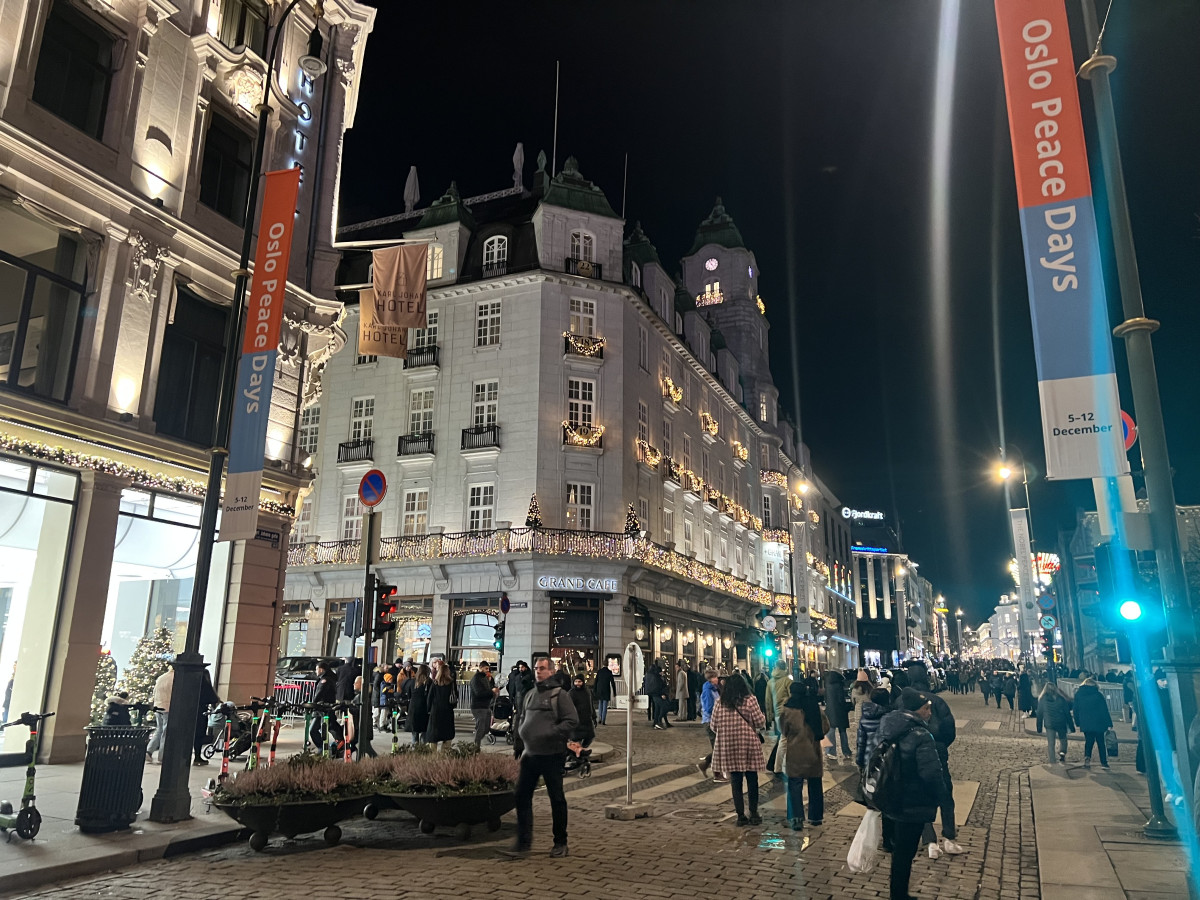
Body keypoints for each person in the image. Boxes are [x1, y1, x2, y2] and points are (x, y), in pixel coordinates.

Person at [878, 689, 951, 900]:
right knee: (905, 852)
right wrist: (942, 796)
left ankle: (898, 892)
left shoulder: (890, 727)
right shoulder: (921, 735)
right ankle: (899, 895)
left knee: (900, 851)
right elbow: (931, 773)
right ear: (916, 711)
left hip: (893, 795)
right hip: (914, 799)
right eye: (926, 708)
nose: (930, 712)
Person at [505, 657, 580, 859]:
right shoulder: (530, 694)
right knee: (521, 795)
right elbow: (522, 717)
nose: (538, 671)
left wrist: (551, 732)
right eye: (536, 668)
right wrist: (519, 740)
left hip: (552, 754)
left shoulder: (559, 695)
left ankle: (560, 842)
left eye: (542, 668)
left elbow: (572, 720)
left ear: (551, 671)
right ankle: (523, 843)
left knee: (556, 798)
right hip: (530, 754)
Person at [906, 660, 963, 857]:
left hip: (913, 757)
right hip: (937, 755)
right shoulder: (937, 701)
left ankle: (930, 841)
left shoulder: (903, 701)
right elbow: (949, 730)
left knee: (921, 798)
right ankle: (949, 837)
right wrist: (940, 746)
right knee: (945, 796)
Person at [710, 669, 766, 826]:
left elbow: (713, 725)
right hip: (748, 744)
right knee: (752, 779)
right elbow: (759, 722)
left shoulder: (720, 703)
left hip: (729, 745)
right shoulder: (750, 700)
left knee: (735, 780)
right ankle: (753, 813)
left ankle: (740, 815)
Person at [777, 682, 828, 830]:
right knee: (815, 784)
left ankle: (796, 818)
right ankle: (816, 817)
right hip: (813, 751)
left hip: (796, 752)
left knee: (795, 784)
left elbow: (783, 730)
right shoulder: (814, 707)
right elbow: (826, 727)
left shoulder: (788, 710)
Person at [1074, 677, 1113, 769]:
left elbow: (1076, 710)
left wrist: (1077, 722)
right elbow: (1104, 710)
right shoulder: (1098, 695)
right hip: (1099, 722)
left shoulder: (1079, 694)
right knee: (1101, 743)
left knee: (1089, 742)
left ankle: (1087, 760)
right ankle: (1104, 762)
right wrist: (1109, 723)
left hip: (1086, 722)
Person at [696, 669, 725, 781]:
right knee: (717, 748)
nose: (717, 679)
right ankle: (717, 774)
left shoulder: (715, 689)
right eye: (715, 677)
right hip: (710, 721)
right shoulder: (708, 691)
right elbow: (709, 708)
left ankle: (704, 765)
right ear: (710, 679)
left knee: (719, 747)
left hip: (715, 720)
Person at [311, 661, 344, 752]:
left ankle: (337, 744)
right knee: (314, 729)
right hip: (321, 709)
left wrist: (313, 704)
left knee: (329, 726)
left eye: (317, 669)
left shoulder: (325, 680)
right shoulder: (327, 678)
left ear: (321, 670)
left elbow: (320, 693)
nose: (316, 671)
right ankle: (322, 748)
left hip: (324, 708)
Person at [1037, 682, 1074, 764]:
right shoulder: (1061, 699)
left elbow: (1039, 714)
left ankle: (1052, 760)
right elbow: (1067, 713)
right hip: (1061, 722)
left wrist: (1039, 727)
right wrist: (1071, 726)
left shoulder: (1042, 700)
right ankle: (1062, 752)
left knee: (1051, 743)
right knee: (1063, 739)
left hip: (1049, 724)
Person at [425, 658, 457, 749]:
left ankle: (433, 754)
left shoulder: (435, 683)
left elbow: (429, 698)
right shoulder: (451, 684)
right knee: (447, 735)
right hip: (447, 711)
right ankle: (444, 753)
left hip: (436, 711)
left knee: (433, 735)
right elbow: (455, 696)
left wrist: (428, 710)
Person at [823, 669, 851, 762]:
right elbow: (841, 700)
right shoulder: (839, 685)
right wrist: (847, 706)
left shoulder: (827, 684)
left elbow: (826, 698)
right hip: (840, 710)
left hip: (830, 710)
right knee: (842, 731)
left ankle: (831, 751)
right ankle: (846, 751)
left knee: (831, 730)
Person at [147, 665, 173, 764]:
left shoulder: (162, 677)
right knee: (166, 732)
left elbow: (154, 692)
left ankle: (149, 751)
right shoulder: (175, 678)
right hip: (168, 707)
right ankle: (162, 756)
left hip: (158, 706)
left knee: (159, 730)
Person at [193, 669, 220, 765]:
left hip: (189, 711)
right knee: (198, 735)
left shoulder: (191, 683)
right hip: (201, 712)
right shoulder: (204, 684)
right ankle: (197, 757)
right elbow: (213, 698)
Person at [470, 661, 497, 748]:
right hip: (478, 706)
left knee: (486, 727)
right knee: (481, 727)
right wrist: (491, 691)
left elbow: (490, 690)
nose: (487, 670)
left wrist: (492, 684)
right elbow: (479, 693)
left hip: (486, 705)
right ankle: (475, 746)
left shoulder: (487, 678)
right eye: (486, 668)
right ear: (481, 668)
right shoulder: (476, 679)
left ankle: (476, 743)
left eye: (488, 669)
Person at [568, 674, 596, 748]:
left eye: (579, 681)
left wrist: (594, 716)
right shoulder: (571, 693)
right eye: (576, 681)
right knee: (576, 739)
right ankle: (578, 752)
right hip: (577, 720)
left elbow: (590, 704)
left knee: (590, 736)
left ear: (583, 682)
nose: (577, 683)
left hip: (586, 720)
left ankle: (582, 749)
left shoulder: (587, 691)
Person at [406, 664, 431, 744]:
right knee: (424, 730)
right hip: (424, 708)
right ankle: (423, 747)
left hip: (413, 707)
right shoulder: (429, 682)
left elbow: (409, 694)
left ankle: (415, 747)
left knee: (414, 731)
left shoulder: (413, 681)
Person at [765, 661, 791, 734]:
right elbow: (791, 697)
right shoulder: (788, 681)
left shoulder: (770, 682)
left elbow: (768, 700)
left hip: (777, 713)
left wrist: (769, 717)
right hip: (787, 713)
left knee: (781, 734)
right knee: (787, 736)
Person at [645, 663, 671, 729]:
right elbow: (658, 686)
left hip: (652, 693)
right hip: (657, 694)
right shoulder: (656, 677)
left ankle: (656, 722)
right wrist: (662, 694)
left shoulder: (648, 675)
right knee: (664, 706)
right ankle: (658, 721)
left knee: (657, 708)